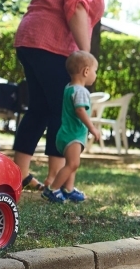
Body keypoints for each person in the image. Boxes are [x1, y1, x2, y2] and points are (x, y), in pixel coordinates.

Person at [12, 0, 111, 193]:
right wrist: (86, 54)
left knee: (40, 108)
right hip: (50, 43)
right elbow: (76, 7)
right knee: (64, 109)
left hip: (30, 38)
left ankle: (20, 173)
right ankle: (55, 183)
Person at [42, 52, 102, 203]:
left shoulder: (69, 87)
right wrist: (92, 128)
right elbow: (80, 110)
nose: (95, 75)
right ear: (86, 71)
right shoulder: (81, 91)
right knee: (73, 164)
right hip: (73, 135)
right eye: (95, 71)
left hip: (66, 133)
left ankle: (68, 189)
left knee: (72, 162)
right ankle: (52, 189)